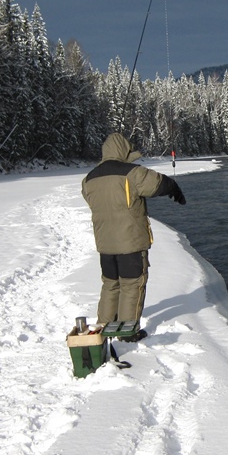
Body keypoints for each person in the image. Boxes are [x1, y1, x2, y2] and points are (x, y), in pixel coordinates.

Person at [80, 132, 185, 342]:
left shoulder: (89, 179)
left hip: (105, 244)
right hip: (130, 243)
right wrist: (173, 186)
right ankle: (128, 332)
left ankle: (103, 327)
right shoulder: (131, 173)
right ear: (122, 150)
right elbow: (157, 184)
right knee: (132, 285)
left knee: (110, 285)